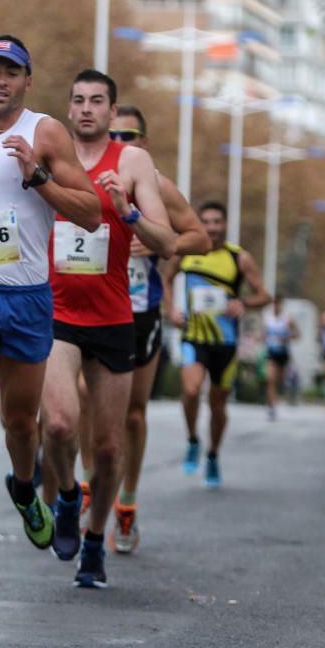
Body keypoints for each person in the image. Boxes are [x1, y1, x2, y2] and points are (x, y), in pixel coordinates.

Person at [0, 36, 101, 588]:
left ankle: (26, 487)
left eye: (12, 71)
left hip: (27, 296)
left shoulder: (45, 131)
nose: (1, 80)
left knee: (20, 424)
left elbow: (93, 213)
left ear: (27, 80)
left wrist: (39, 177)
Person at [40, 70, 176, 588]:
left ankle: (94, 540)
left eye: (98, 101)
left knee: (108, 447)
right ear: (68, 108)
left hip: (115, 315)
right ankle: (69, 496)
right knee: (56, 424)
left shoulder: (134, 162)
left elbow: (166, 243)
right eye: (78, 100)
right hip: (55, 313)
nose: (87, 109)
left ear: (112, 111)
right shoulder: (50, 153)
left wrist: (129, 212)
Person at [61, 104, 210, 554]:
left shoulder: (156, 184)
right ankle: (89, 481)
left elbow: (199, 238)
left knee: (132, 414)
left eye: (131, 135)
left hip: (137, 308)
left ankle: (126, 502)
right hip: (83, 303)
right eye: (116, 133)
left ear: (143, 143)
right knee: (81, 396)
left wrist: (151, 239)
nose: (121, 142)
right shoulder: (77, 171)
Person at [162, 201, 270, 488]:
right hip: (194, 336)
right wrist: (171, 310)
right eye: (206, 221)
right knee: (191, 388)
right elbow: (166, 280)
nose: (211, 227)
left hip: (226, 341)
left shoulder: (239, 258)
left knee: (218, 404)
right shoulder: (187, 251)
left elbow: (264, 295)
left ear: (225, 225)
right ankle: (193, 439)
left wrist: (243, 302)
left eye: (216, 221)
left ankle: (212, 454)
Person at [262, 296, 299, 421]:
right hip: (271, 353)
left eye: (278, 304)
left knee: (279, 381)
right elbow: (265, 334)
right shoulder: (268, 318)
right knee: (270, 380)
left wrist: (286, 338)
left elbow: (298, 334)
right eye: (274, 304)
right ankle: (272, 407)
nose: (276, 306)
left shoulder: (287, 319)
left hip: (283, 354)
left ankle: (282, 393)